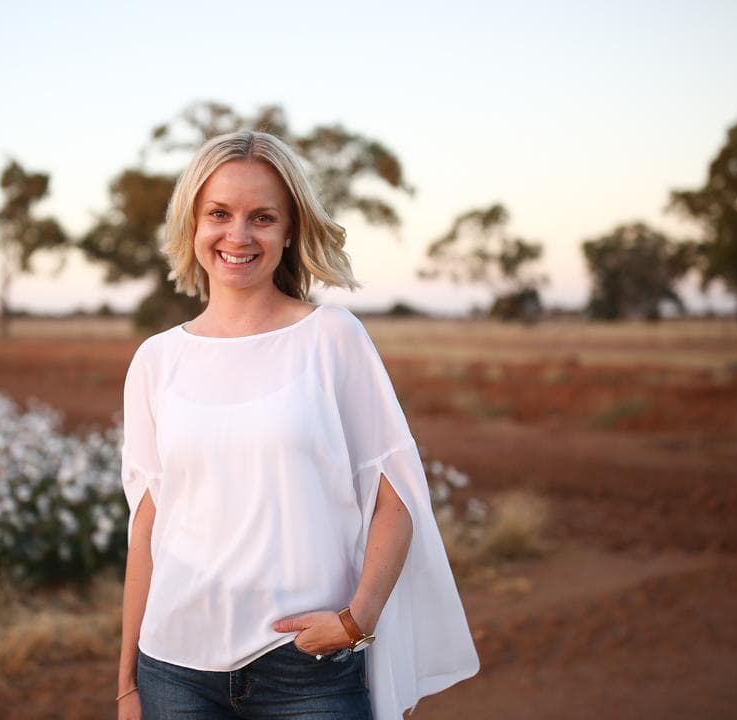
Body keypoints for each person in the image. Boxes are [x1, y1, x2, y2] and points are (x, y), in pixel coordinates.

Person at [117, 130, 478, 720]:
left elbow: (396, 500)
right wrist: (127, 683)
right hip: (174, 671)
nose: (238, 236)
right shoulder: (156, 360)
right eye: (219, 214)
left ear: (290, 231)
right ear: (192, 223)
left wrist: (357, 620)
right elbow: (148, 526)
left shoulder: (332, 338)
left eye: (262, 217)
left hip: (305, 669)